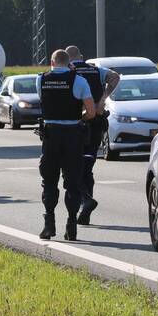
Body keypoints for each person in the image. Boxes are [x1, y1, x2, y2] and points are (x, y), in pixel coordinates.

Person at [36, 49, 96, 241]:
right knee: (72, 182)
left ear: (52, 62)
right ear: (69, 63)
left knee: (49, 180)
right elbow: (91, 112)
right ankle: (71, 225)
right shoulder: (79, 81)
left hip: (51, 135)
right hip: (72, 136)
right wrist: (80, 118)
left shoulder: (41, 80)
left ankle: (49, 223)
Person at [65, 45, 121, 225]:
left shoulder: (67, 71)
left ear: (66, 59)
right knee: (87, 167)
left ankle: (84, 201)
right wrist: (102, 100)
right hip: (96, 124)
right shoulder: (96, 70)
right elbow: (115, 77)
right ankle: (85, 209)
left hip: (75, 125)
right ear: (81, 57)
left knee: (73, 167)